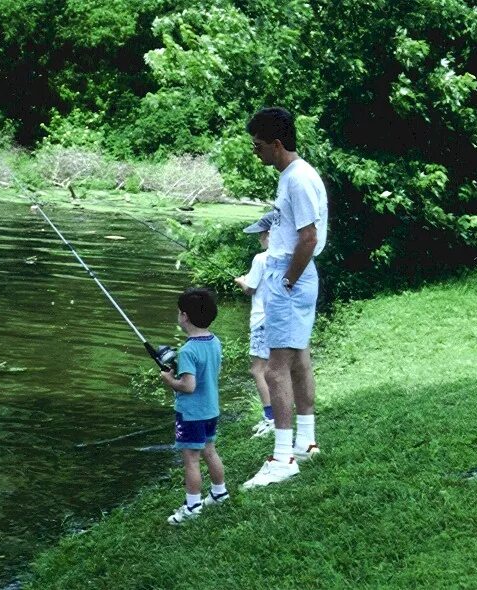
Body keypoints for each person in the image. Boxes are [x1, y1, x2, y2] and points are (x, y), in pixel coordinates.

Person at [241, 107, 328, 489]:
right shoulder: (291, 176)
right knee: (299, 360)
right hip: (289, 276)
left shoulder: (298, 179)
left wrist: (287, 281)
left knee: (275, 368)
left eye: (258, 146)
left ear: (277, 144)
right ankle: (306, 442)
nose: (255, 152)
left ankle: (282, 457)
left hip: (288, 278)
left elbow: (308, 238)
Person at [159, 287, 228, 524]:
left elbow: (188, 386)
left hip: (191, 414)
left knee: (191, 458)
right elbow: (209, 373)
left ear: (184, 316)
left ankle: (192, 506)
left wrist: (170, 380)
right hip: (210, 409)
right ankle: (220, 493)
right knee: (210, 450)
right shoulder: (214, 341)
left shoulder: (188, 350)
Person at [234, 210, 279, 438]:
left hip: (262, 321)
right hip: (281, 320)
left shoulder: (261, 259)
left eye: (261, 234)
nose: (259, 238)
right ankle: (278, 415)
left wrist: (241, 281)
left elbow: (250, 288)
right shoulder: (289, 256)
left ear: (271, 234)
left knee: (258, 370)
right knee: (276, 369)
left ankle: (270, 418)